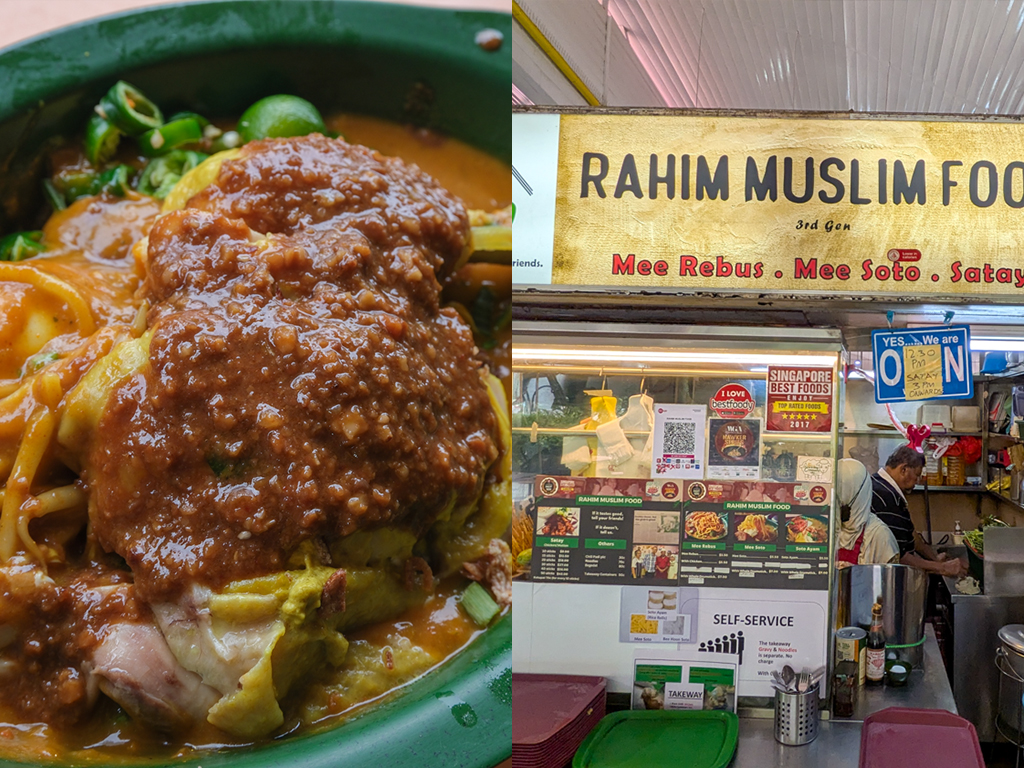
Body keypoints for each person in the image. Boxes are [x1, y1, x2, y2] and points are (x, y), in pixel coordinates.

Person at [871, 446, 967, 577]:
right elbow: (898, 555)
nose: (916, 482)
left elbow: (912, 536)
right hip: (885, 577)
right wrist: (941, 567)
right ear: (903, 469)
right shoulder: (886, 496)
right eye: (916, 475)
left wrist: (934, 558)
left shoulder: (882, 484)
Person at [836, 458, 899, 568]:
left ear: (859, 493)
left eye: (844, 492)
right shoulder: (821, 529)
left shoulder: (879, 534)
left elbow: (887, 581)